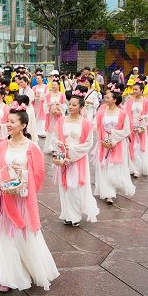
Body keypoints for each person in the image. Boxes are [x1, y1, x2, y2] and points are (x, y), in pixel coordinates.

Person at [0, 102, 59, 292]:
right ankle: (9, 276)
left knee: (23, 235)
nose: (8, 124)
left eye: (12, 121)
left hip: (22, 198)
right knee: (4, 236)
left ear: (23, 125)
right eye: (7, 121)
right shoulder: (2, 146)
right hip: (5, 198)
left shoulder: (32, 147)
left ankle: (29, 268)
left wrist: (23, 177)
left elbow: (39, 175)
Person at [53, 89, 99, 226]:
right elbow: (55, 138)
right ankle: (68, 214)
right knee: (65, 187)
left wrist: (72, 152)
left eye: (74, 105)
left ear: (81, 107)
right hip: (63, 158)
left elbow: (88, 144)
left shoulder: (86, 123)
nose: (71, 107)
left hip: (78, 158)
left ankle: (76, 215)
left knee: (76, 187)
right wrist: (59, 146)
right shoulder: (61, 121)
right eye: (70, 104)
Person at [94, 90, 135, 204]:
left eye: (108, 97)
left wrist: (114, 138)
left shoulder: (122, 113)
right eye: (105, 97)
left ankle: (113, 188)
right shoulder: (101, 112)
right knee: (103, 166)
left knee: (114, 167)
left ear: (115, 100)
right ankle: (108, 193)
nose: (105, 99)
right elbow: (95, 125)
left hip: (117, 143)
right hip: (103, 143)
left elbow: (126, 130)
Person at [124, 83, 148, 178]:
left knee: (139, 147)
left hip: (141, 128)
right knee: (131, 147)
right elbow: (125, 114)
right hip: (131, 128)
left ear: (141, 90)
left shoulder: (146, 102)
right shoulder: (129, 101)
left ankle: (139, 168)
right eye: (133, 89)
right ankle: (132, 167)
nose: (134, 91)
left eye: (136, 89)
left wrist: (143, 125)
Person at [43, 78, 66, 154]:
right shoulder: (48, 95)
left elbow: (64, 105)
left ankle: (57, 146)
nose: (53, 86)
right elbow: (45, 104)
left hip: (59, 115)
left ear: (58, 86)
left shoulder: (62, 95)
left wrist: (59, 108)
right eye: (52, 85)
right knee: (51, 130)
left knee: (58, 129)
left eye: (54, 85)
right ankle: (50, 146)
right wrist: (49, 107)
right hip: (51, 115)